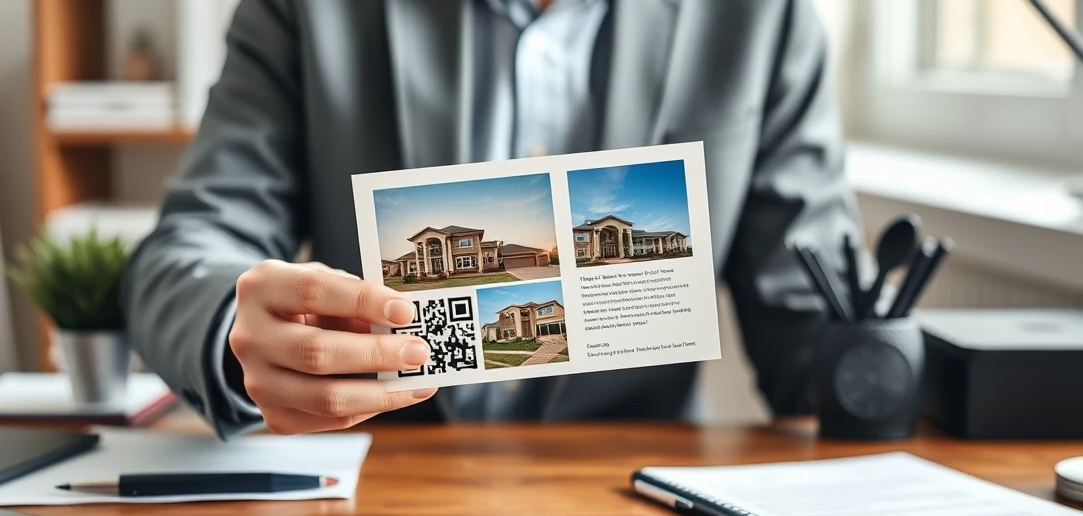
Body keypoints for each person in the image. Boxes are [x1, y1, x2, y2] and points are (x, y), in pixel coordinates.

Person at [122, 0, 863, 439]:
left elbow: (818, 326)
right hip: (379, 501)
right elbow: (187, 248)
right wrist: (238, 332)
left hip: (640, 504)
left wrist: (887, 370)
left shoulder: (764, 14)